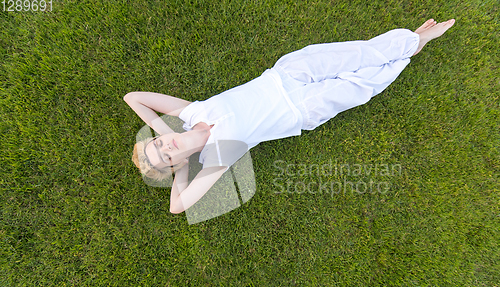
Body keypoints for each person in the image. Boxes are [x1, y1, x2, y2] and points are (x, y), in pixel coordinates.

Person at [124, 18, 455, 214]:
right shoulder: (216, 158)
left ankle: (410, 41)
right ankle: (410, 46)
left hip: (286, 74)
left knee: (355, 53)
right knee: (365, 83)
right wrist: (180, 170)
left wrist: (158, 126)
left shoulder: (190, 111)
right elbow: (177, 206)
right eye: (165, 155)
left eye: (157, 143)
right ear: (175, 163)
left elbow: (133, 98)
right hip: (303, 109)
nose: (166, 144)